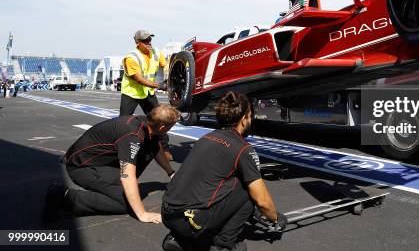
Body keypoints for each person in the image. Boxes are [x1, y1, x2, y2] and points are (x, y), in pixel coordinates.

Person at [161, 92, 287, 251]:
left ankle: (179, 239)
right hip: (192, 222)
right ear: (243, 119)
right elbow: (262, 200)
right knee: (248, 188)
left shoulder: (206, 138)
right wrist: (275, 217)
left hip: (168, 214)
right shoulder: (243, 149)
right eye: (249, 117)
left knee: (217, 181)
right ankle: (222, 245)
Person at [41, 104, 180, 223]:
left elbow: (155, 147)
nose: (171, 128)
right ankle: (64, 197)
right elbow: (127, 175)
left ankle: (107, 186)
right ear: (162, 127)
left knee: (133, 184)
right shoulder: (132, 136)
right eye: (171, 126)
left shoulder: (146, 123)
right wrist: (142, 214)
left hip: (92, 161)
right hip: (82, 167)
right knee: (125, 203)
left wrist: (171, 172)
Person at [120, 29, 172, 161]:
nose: (149, 43)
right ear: (138, 43)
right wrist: (159, 86)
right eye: (145, 41)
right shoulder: (131, 58)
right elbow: (139, 79)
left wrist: (169, 73)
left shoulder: (156, 52)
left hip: (147, 92)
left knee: (161, 119)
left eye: (150, 40)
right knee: (123, 122)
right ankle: (119, 149)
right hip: (131, 93)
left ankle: (165, 149)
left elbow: (165, 66)